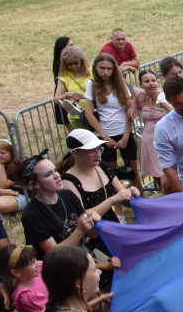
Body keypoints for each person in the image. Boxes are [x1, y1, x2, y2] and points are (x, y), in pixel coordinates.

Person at [59, 129, 136, 291]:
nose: (97, 154)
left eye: (99, 149)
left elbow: (125, 197)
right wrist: (113, 200)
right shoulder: (68, 181)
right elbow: (84, 217)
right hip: (93, 239)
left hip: (114, 233)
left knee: (127, 279)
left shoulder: (103, 168)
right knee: (109, 286)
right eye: (91, 150)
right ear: (75, 153)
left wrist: (132, 195)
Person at [82, 53, 140, 193]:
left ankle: (142, 205)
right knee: (110, 175)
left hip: (123, 132)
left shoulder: (120, 83)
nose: (106, 72)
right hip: (105, 135)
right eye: (102, 68)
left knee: (134, 173)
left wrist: (125, 137)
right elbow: (89, 113)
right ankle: (119, 211)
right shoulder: (92, 84)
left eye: (109, 68)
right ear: (96, 68)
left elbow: (129, 110)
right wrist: (105, 137)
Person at [133, 68, 172, 193]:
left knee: (166, 178)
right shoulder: (140, 98)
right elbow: (130, 107)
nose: (151, 83)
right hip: (148, 140)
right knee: (157, 176)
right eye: (146, 81)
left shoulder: (164, 95)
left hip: (164, 139)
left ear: (158, 82)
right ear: (141, 85)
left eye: (153, 80)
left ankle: (167, 199)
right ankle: (165, 202)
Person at [54, 46, 91, 130]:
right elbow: (56, 99)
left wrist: (88, 95)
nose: (73, 66)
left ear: (81, 60)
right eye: (69, 64)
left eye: (76, 63)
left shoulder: (92, 72)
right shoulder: (64, 77)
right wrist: (68, 95)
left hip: (94, 113)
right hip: (77, 117)